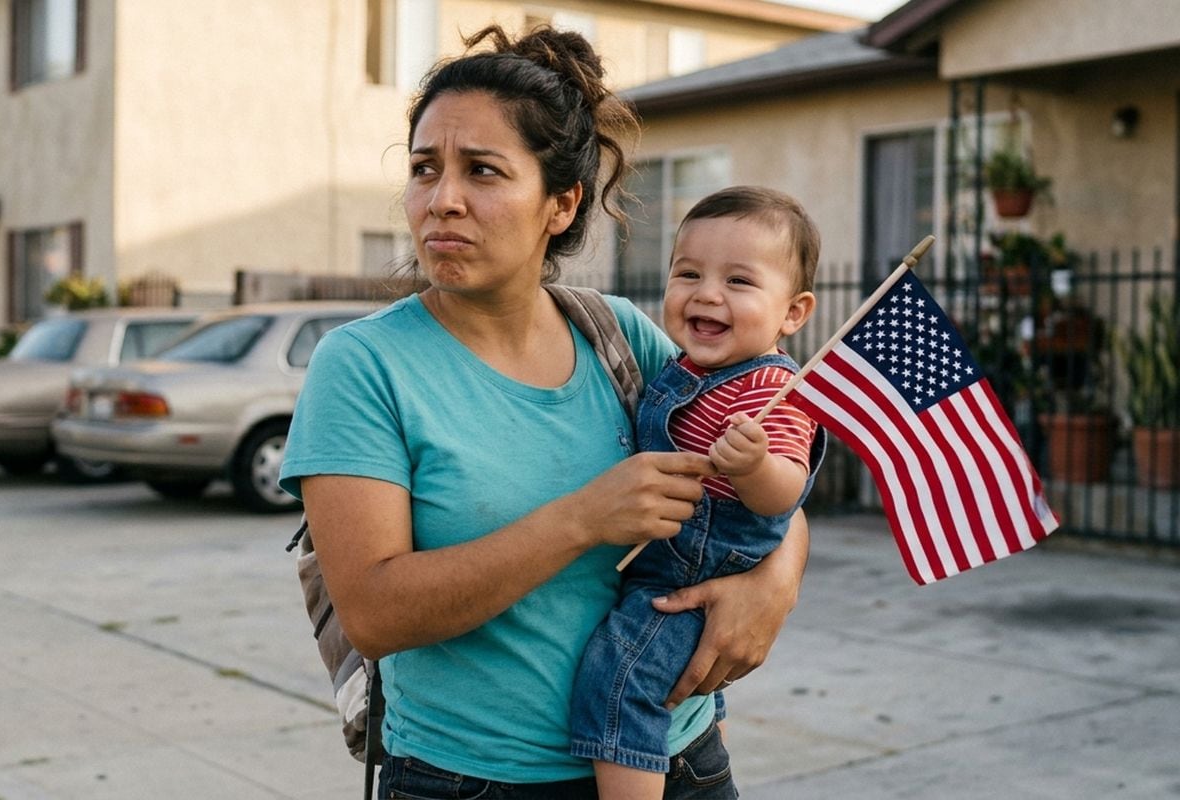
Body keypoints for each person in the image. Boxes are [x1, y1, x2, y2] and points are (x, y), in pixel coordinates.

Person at [279, 25, 811, 800]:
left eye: (482, 171)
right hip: (472, 782)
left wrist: (778, 582)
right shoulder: (365, 366)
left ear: (560, 204)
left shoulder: (618, 335)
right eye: (424, 170)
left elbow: (759, 479)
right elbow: (374, 615)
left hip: (678, 762)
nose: (442, 200)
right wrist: (583, 519)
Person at [571, 186, 825, 800]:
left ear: (793, 313)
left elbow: (783, 497)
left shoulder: (772, 390)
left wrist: (754, 466)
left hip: (692, 572)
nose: (707, 293)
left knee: (621, 677)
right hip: (663, 556)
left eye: (739, 281)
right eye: (688, 273)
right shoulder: (685, 366)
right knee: (674, 677)